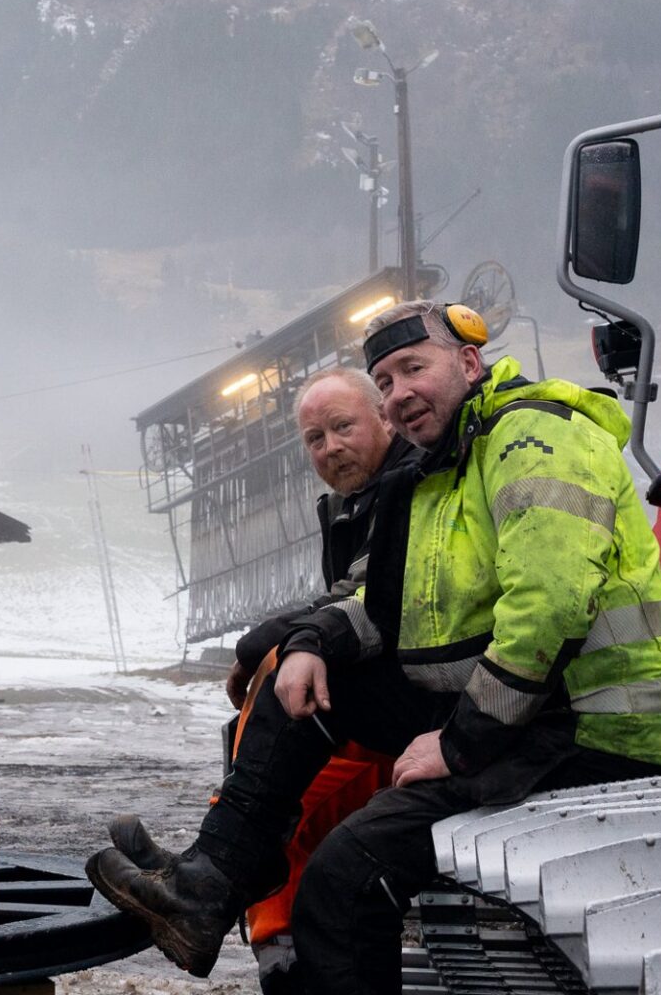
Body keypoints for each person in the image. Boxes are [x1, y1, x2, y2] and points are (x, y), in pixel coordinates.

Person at [88, 301, 661, 994]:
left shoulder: (532, 436)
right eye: (386, 380)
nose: (400, 391)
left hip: (592, 728)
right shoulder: (444, 465)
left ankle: (253, 916)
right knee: (299, 687)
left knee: (344, 882)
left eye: (413, 368)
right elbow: (389, 603)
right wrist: (309, 643)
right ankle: (210, 883)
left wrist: (457, 745)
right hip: (530, 715)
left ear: (469, 363)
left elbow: (549, 605)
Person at [121, 366, 415, 993]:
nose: (330, 447)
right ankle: (207, 878)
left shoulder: (409, 486)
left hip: (429, 707)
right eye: (315, 438)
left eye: (343, 427)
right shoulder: (352, 503)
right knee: (265, 768)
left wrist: (262, 644)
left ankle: (222, 899)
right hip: (394, 703)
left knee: (289, 790)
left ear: (384, 419)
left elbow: (366, 598)